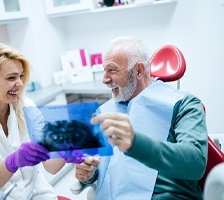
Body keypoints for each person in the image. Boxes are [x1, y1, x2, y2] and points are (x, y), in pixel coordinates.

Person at [74, 36, 208, 200]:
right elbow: (106, 169)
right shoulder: (106, 111)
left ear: (138, 70)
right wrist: (90, 173)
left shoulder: (185, 105)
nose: (104, 79)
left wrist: (135, 142)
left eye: (112, 70)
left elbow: (195, 163)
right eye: (104, 70)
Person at [0, 42, 82, 200]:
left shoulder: (26, 106)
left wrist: (65, 150)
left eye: (20, 76)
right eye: (11, 77)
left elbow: (50, 166)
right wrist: (11, 162)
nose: (20, 83)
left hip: (39, 195)